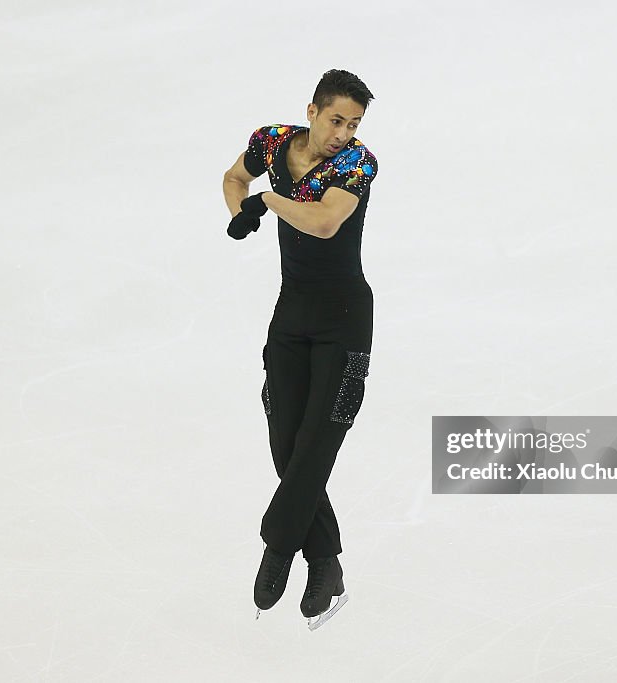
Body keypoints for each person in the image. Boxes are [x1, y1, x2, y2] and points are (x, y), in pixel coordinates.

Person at [221, 69, 378, 630]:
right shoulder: (271, 142)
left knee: (316, 444)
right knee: (286, 443)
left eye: (354, 123)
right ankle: (325, 560)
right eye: (336, 119)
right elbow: (231, 177)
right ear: (312, 111)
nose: (343, 132)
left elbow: (324, 221)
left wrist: (267, 197)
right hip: (290, 317)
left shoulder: (357, 164)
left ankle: (279, 546)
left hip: (344, 322)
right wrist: (239, 209)